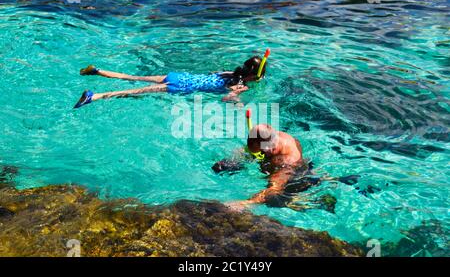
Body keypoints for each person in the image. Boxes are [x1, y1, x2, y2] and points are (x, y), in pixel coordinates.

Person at [213, 121, 359, 212]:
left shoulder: (283, 161)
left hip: (294, 177)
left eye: (259, 151)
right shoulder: (275, 136)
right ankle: (325, 180)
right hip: (302, 165)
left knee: (277, 201)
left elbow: (273, 189)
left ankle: (319, 201)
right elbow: (253, 146)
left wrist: (245, 203)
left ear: (268, 149)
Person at [73, 49, 270, 108]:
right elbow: (226, 99)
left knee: (133, 77)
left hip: (180, 76)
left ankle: (97, 71)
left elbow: (212, 77)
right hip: (180, 87)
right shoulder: (240, 85)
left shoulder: (228, 73)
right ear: (254, 76)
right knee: (129, 92)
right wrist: (238, 103)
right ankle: (94, 96)